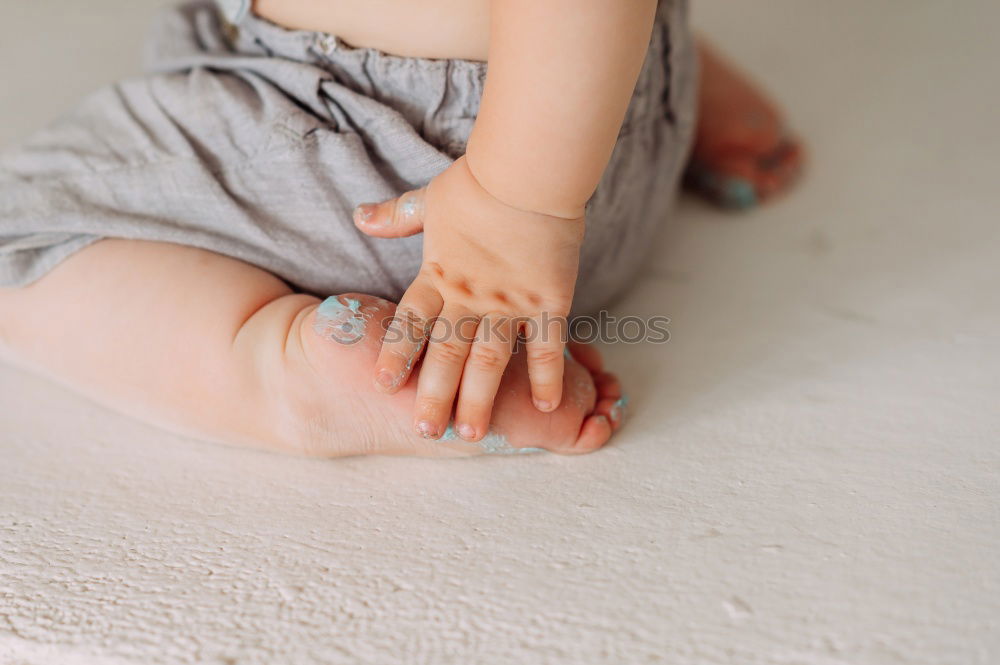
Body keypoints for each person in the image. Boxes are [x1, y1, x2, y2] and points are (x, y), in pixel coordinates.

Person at [0, 0, 803, 457]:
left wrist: (508, 215)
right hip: (582, 124)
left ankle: (287, 367)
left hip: (421, 197)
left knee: (17, 236)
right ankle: (608, 78)